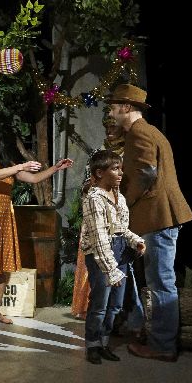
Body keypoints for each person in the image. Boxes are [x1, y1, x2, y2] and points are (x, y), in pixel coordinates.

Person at [106, 84, 192, 362]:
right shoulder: (147, 131)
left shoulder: (139, 132)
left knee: (161, 281)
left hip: (158, 216)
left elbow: (146, 172)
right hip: (157, 217)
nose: (111, 113)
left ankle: (163, 345)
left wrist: (123, 203)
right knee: (156, 279)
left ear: (126, 107)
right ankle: (147, 330)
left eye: (113, 107)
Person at [0, 128, 72, 328]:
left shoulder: (8, 165)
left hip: (4, 220)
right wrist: (20, 166)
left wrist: (55, 168)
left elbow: (34, 179)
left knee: (2, 271)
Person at [80, 150, 145, 364]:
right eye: (115, 169)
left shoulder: (119, 197)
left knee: (115, 304)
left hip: (120, 250)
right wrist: (110, 269)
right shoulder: (94, 199)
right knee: (100, 303)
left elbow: (121, 228)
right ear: (100, 173)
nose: (120, 173)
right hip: (102, 254)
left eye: (120, 168)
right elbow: (99, 238)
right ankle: (93, 345)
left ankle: (104, 342)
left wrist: (135, 240)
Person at [71, 117, 127, 320]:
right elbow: (87, 183)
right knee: (96, 263)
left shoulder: (128, 152)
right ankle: (92, 312)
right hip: (99, 216)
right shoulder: (98, 153)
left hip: (119, 218)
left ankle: (114, 317)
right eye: (107, 127)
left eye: (114, 127)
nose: (110, 131)